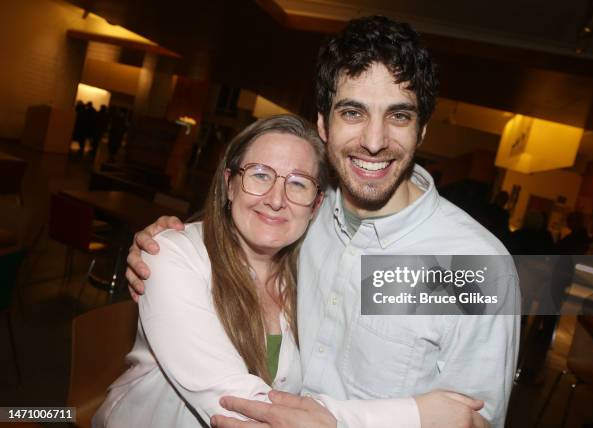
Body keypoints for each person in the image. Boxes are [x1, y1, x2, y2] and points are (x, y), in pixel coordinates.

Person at [127, 16, 518, 428]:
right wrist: (166, 243)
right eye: (352, 112)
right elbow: (232, 230)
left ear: (422, 131)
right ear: (323, 125)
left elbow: (476, 423)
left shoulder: (475, 268)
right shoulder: (304, 213)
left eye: (399, 116)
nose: (373, 140)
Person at [93, 115, 329, 427]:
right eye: (260, 175)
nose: (276, 200)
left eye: (298, 183)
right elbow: (234, 405)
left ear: (315, 206)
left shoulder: (313, 279)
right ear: (230, 185)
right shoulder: (171, 254)